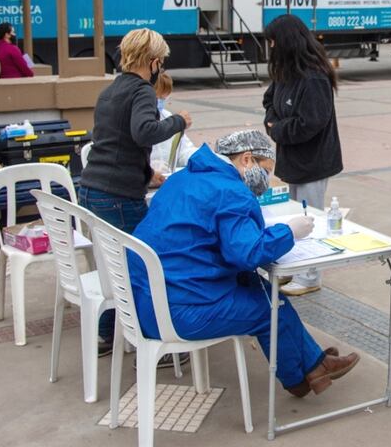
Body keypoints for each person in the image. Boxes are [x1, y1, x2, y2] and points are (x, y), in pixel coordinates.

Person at [128, 130, 360, 397]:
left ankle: (312, 366)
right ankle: (303, 372)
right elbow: (247, 253)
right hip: (178, 312)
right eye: (266, 170)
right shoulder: (230, 191)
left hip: (146, 300)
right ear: (247, 159)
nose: (267, 179)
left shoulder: (183, 178)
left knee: (259, 287)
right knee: (269, 307)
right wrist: (289, 232)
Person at [79, 28, 192, 356]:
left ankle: (107, 334)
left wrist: (147, 174)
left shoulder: (109, 91)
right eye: (162, 62)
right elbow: (144, 133)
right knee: (148, 264)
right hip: (117, 195)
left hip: (92, 188)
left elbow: (114, 142)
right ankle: (156, 342)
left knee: (112, 263)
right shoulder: (143, 90)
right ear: (154, 62)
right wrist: (179, 122)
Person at [262, 14, 343, 297]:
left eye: (273, 41)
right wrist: (273, 122)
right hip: (293, 160)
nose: (270, 47)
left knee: (312, 218)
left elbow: (311, 122)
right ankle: (297, 266)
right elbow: (269, 101)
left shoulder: (313, 78)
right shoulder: (287, 72)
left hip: (314, 162)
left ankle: (311, 274)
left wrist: (279, 129)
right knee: (295, 216)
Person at [149, 71, 196, 175]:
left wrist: (199, 157)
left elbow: (184, 149)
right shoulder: (138, 120)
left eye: (164, 98)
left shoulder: (167, 116)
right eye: (159, 98)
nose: (161, 102)